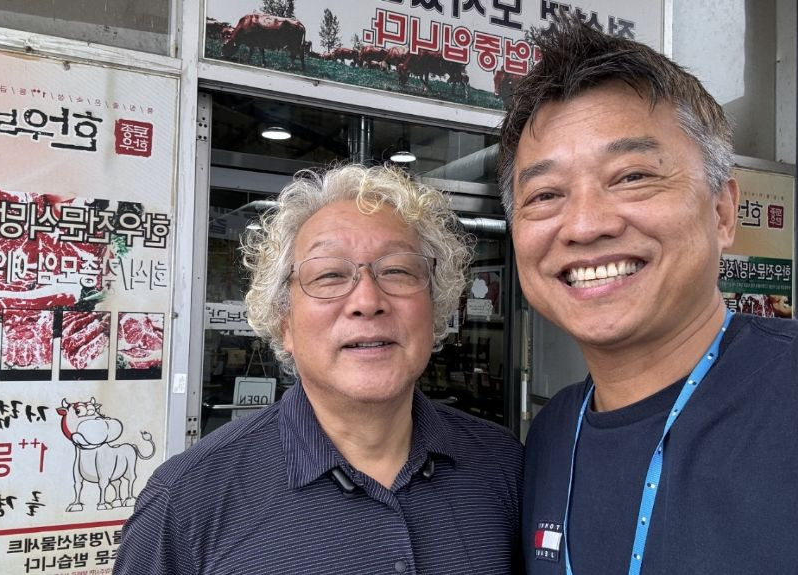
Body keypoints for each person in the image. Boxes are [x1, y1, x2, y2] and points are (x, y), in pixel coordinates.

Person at [497, 17, 798, 575]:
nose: (585, 225)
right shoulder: (550, 436)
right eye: (545, 194)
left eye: (631, 176)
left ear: (723, 211)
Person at [113, 164, 523, 574]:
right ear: (284, 322)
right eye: (329, 275)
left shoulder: (506, 466)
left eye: (397, 270)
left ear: (435, 309)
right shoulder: (185, 503)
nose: (367, 301)